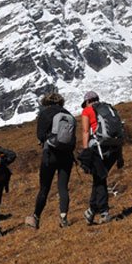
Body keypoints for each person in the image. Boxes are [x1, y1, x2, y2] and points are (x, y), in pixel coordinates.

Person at [25, 92, 75, 229]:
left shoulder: (45, 114)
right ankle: (64, 217)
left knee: (44, 188)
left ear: (46, 102)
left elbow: (40, 135)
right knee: (63, 187)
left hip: (50, 154)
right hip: (67, 155)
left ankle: (36, 217)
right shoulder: (68, 114)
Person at [78, 91, 124, 225]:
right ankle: (91, 211)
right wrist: (120, 156)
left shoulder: (87, 110)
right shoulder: (109, 108)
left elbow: (86, 131)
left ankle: (104, 212)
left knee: (100, 179)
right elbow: (117, 132)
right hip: (114, 149)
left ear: (87, 102)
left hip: (100, 149)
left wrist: (86, 152)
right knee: (98, 178)